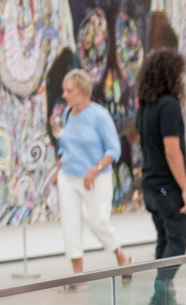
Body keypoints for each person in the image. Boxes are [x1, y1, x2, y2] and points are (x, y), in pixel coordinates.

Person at [135, 48, 186, 305]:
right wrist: (185, 188)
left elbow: (158, 150)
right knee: (177, 242)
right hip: (168, 189)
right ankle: (159, 299)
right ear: (171, 75)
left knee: (165, 242)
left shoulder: (146, 106)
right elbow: (169, 150)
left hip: (152, 189)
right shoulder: (168, 105)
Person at [55, 69, 132, 287]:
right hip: (68, 178)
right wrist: (58, 166)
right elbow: (65, 145)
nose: (65, 95)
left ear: (82, 91)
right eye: (64, 91)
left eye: (69, 91)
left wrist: (94, 169)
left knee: (98, 222)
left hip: (95, 178)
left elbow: (113, 149)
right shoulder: (68, 114)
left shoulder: (99, 116)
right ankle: (79, 277)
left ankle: (121, 256)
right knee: (70, 224)